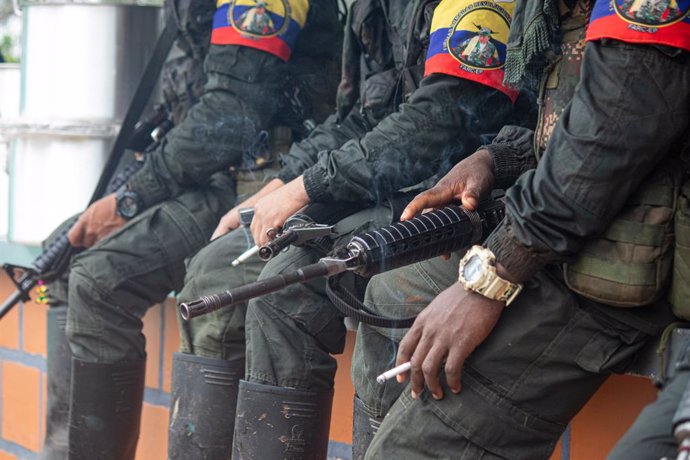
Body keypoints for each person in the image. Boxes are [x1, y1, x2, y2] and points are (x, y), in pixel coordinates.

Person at [347, 0, 690, 457]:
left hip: (622, 259)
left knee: (410, 451)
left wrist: (489, 280)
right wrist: (496, 158)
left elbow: (614, 129)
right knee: (394, 290)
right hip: (570, 233)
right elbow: (568, 114)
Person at [191, 0, 529, 457]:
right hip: (389, 190)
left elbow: (443, 118)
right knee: (250, 282)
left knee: (337, 290)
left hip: (466, 199)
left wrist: (306, 187)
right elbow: (364, 114)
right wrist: (288, 182)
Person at [44, 0, 342, 458]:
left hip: (268, 180)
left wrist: (130, 200)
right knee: (65, 257)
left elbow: (231, 112)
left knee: (104, 280)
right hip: (217, 177)